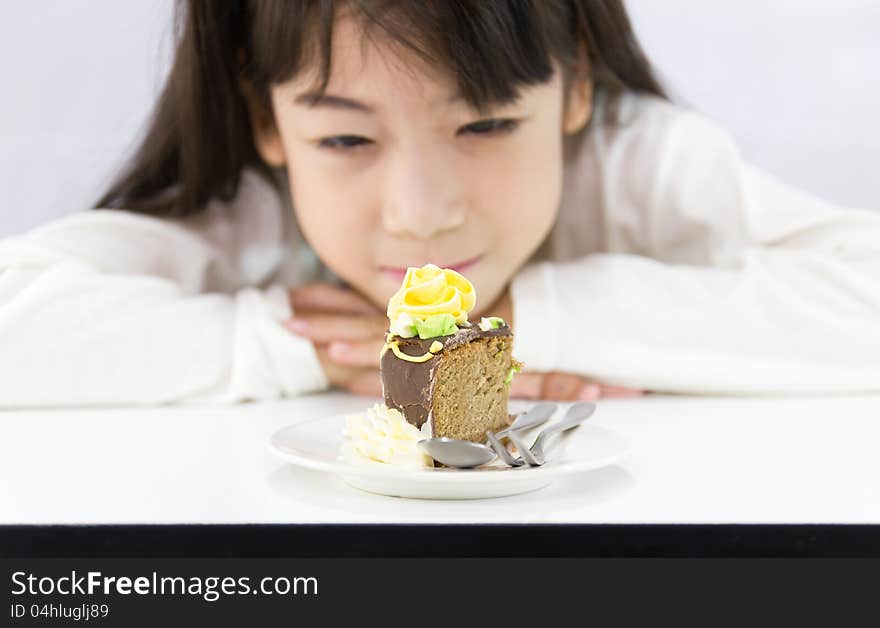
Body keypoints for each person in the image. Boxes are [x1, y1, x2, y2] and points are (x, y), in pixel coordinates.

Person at [0, 0, 877, 408]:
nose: (419, 216)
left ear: (573, 84)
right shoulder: (262, 210)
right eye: (346, 140)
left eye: (487, 124)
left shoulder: (636, 164)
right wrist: (295, 348)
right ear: (266, 116)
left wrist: (518, 323)